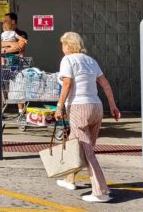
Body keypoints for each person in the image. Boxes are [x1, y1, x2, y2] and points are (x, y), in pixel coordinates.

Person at [50, 32, 122, 204]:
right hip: (96, 107)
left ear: (68, 45)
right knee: (80, 146)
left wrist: (59, 106)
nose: (62, 48)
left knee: (87, 151)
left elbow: (67, 83)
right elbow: (105, 83)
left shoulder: (67, 60)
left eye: (63, 45)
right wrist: (113, 105)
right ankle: (70, 180)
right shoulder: (91, 60)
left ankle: (100, 191)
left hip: (78, 108)